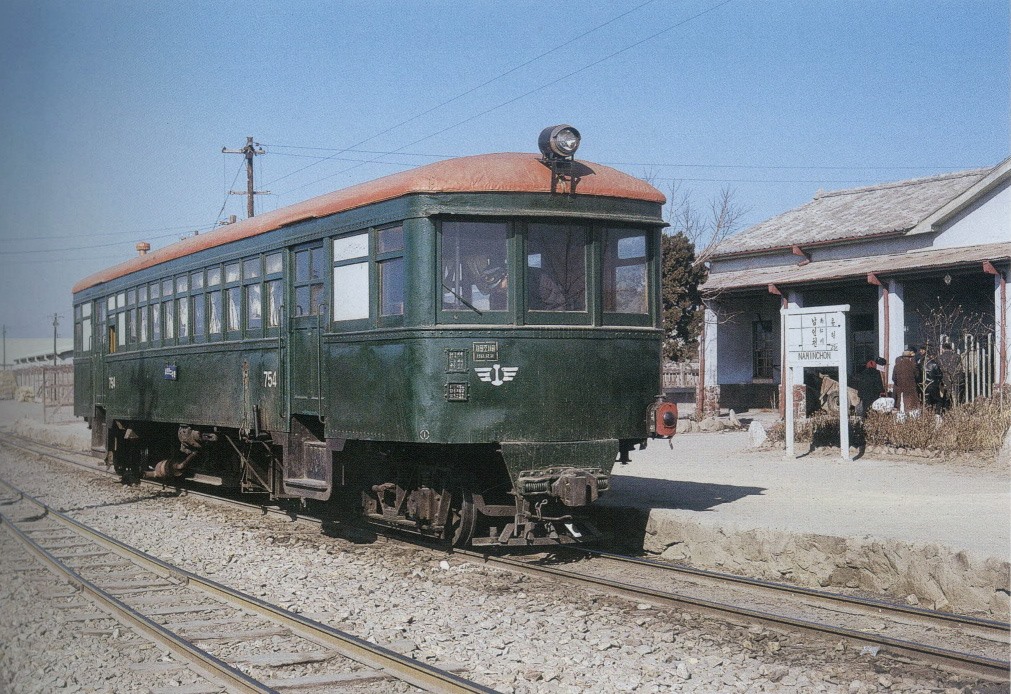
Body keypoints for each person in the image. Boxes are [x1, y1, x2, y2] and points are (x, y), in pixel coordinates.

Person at [935, 342, 964, 411]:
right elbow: (960, 369)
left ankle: (945, 411)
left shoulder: (939, 358)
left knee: (945, 398)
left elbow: (938, 371)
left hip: (944, 381)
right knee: (956, 398)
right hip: (955, 380)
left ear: (943, 349)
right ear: (951, 349)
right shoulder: (957, 356)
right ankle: (955, 411)